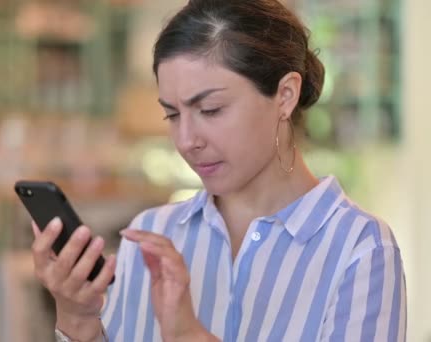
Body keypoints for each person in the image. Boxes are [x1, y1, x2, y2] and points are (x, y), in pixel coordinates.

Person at [30, 0, 407, 341]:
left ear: (285, 96)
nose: (186, 139)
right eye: (173, 114)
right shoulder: (149, 236)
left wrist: (190, 336)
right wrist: (78, 318)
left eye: (210, 110)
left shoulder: (360, 249)